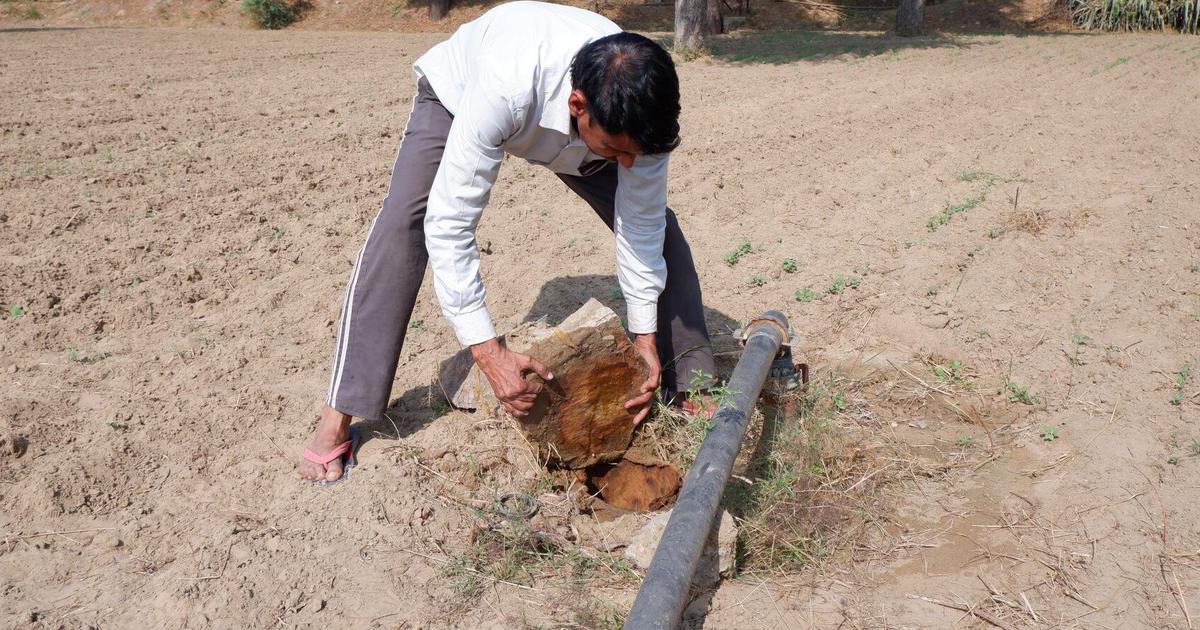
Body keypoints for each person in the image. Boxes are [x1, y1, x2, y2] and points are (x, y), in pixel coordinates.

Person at [299, 1, 715, 482]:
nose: (628, 164)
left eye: (636, 154)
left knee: (661, 230)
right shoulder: (506, 84)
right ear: (578, 106)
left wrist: (644, 337)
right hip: (463, 98)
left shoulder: (640, 117)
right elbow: (451, 223)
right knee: (405, 224)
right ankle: (339, 414)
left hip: (582, 133)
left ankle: (694, 384)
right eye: (619, 151)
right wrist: (486, 351)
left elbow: (640, 224)